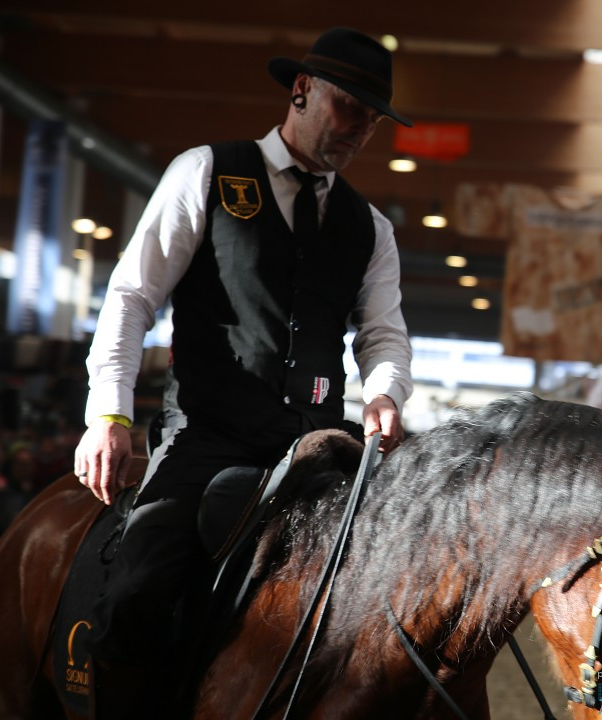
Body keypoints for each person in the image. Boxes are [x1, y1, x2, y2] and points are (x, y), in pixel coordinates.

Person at [72, 27, 414, 716]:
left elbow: (383, 336)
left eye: (371, 119)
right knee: (138, 591)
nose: (358, 128)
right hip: (205, 435)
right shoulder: (205, 171)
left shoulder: (370, 227)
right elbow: (133, 296)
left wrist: (384, 392)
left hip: (317, 450)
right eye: (348, 106)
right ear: (300, 91)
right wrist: (106, 414)